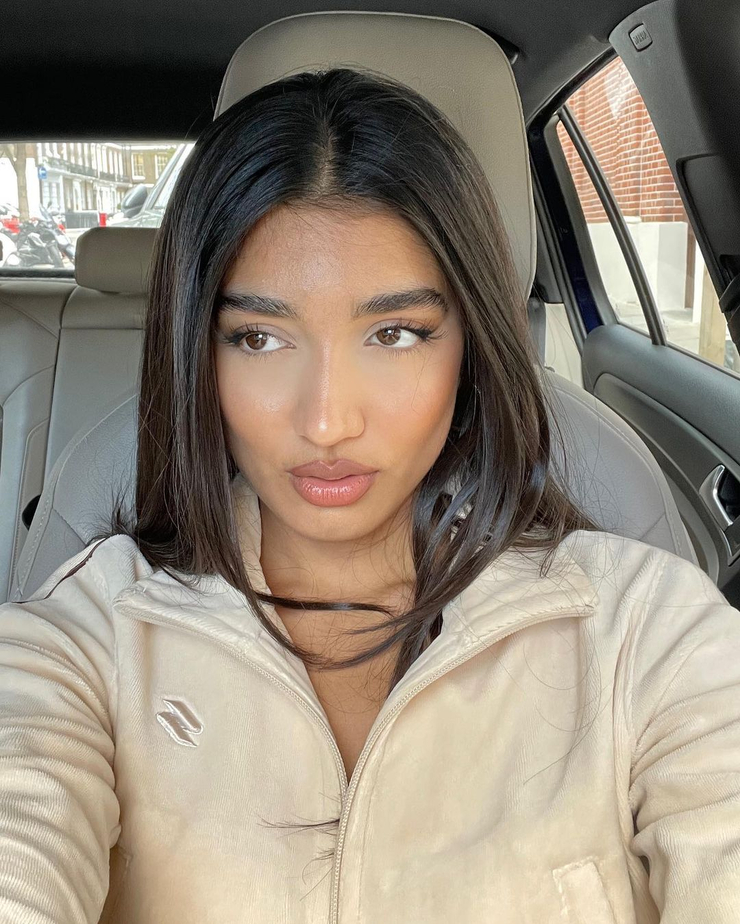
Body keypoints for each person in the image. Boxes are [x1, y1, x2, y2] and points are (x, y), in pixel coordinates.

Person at [0, 67, 738, 924]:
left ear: (470, 348)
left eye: (395, 334)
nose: (326, 421)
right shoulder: (90, 638)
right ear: (198, 351)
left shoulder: (644, 629)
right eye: (258, 337)